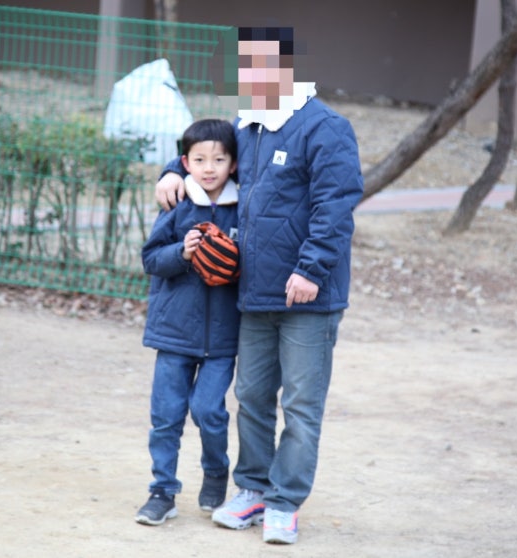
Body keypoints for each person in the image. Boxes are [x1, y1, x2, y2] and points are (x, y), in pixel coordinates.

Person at [155, 27, 364, 544]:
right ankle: (251, 488)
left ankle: (284, 501)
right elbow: (207, 152)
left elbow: (336, 207)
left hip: (308, 295)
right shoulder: (247, 126)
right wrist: (170, 172)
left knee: (300, 405)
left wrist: (311, 270)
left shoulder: (325, 127)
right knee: (250, 397)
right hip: (253, 293)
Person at [135, 118, 241, 526]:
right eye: (199, 160)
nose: (209, 168)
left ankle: (215, 472)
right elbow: (151, 259)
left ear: (234, 164)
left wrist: (235, 259)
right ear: (185, 163)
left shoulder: (244, 207)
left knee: (208, 410)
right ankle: (162, 491)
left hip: (224, 336)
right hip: (174, 332)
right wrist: (182, 252)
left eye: (219, 159)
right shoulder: (177, 203)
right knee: (166, 416)